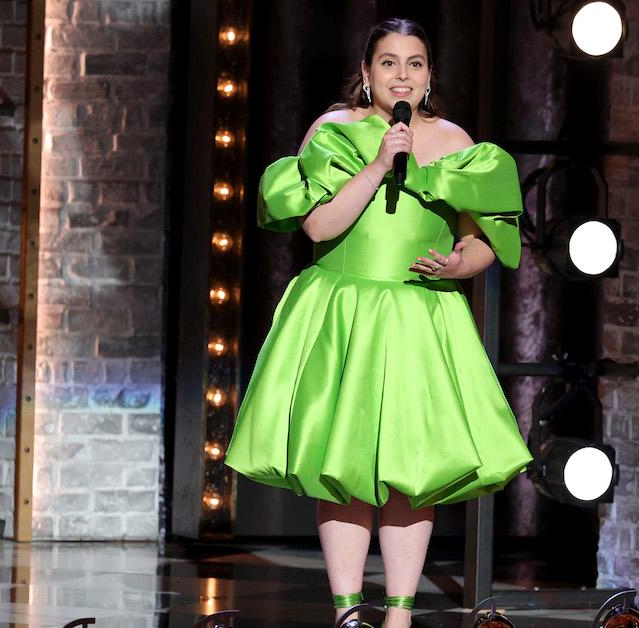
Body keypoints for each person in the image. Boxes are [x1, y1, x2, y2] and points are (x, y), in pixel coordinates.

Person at [224, 17, 532, 628]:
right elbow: (317, 226)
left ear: (428, 76)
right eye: (388, 63)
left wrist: (455, 264)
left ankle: (399, 615)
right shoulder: (336, 131)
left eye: (414, 63)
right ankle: (347, 612)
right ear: (366, 75)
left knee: (409, 472)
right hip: (346, 312)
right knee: (344, 469)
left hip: (420, 312)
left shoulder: (453, 141)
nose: (402, 75)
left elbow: (485, 244)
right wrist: (380, 164)